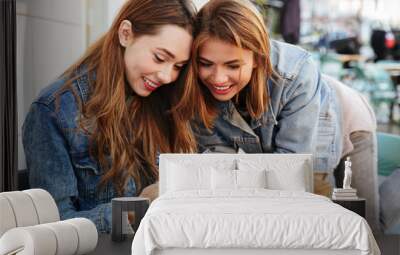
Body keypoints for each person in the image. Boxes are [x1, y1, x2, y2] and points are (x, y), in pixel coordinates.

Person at [177, 0, 379, 231]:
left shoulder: (295, 73)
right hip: (292, 125)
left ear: (257, 59)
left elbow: (291, 169)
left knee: (364, 226)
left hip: (345, 121)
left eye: (233, 66)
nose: (218, 78)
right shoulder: (194, 83)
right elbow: (221, 165)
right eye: (206, 64)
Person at [22, 0, 197, 233]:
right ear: (125, 34)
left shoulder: (165, 99)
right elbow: (54, 227)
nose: (167, 76)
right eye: (159, 58)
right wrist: (138, 210)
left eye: (178, 66)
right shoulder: (54, 110)